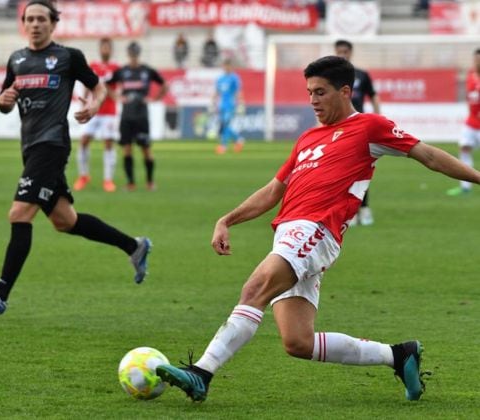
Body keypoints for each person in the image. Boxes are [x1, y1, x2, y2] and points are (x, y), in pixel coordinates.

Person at [156, 55, 480, 403]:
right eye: (309, 92)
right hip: (288, 234)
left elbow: (428, 155)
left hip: (317, 230)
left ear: (344, 91)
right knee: (298, 342)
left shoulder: (370, 127)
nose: (312, 101)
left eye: (320, 92)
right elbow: (273, 190)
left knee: (254, 290)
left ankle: (201, 373)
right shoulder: (307, 139)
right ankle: (399, 355)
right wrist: (227, 219)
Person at [0, 0, 152, 315]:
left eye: (41, 19)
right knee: (66, 220)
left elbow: (99, 88)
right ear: (24, 24)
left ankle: (0, 292)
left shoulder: (67, 57)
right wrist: (2, 101)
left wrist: (93, 106)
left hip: (52, 145)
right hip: (30, 146)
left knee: (20, 212)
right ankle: (134, 246)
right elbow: (4, 100)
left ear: (53, 24)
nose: (35, 24)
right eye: (30, 19)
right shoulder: (17, 60)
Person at [107, 41, 167, 191]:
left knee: (146, 149)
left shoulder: (147, 71)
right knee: (127, 149)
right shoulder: (122, 71)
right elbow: (107, 84)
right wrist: (116, 97)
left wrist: (155, 98)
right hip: (126, 116)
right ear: (128, 54)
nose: (133, 56)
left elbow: (164, 84)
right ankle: (130, 183)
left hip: (141, 116)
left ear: (138, 53)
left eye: (135, 53)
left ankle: (150, 182)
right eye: (131, 53)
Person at [335, 39, 380, 226]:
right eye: (339, 52)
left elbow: (374, 96)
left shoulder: (361, 75)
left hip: (359, 128)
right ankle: (349, 211)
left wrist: (378, 119)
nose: (343, 55)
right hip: (338, 127)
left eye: (345, 51)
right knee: (342, 170)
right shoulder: (331, 77)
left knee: (361, 168)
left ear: (351, 53)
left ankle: (365, 209)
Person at [73, 37, 120, 193]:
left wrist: (106, 88)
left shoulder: (116, 68)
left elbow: (116, 91)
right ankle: (84, 176)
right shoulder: (93, 66)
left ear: (111, 50)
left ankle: (108, 180)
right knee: (84, 141)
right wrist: (83, 102)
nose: (105, 50)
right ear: (100, 49)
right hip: (93, 110)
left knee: (108, 143)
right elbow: (87, 84)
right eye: (103, 47)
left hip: (109, 111)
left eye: (108, 47)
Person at [447, 48, 480, 196]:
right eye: (475, 59)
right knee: (464, 149)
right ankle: (465, 187)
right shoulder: (470, 76)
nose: (477, 62)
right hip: (471, 123)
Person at [213, 58, 245, 155]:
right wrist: (212, 102)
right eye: (224, 66)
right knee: (224, 125)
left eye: (228, 66)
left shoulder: (234, 78)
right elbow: (217, 92)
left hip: (231, 105)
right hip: (221, 105)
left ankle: (223, 146)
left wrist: (240, 104)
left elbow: (238, 92)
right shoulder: (220, 79)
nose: (226, 68)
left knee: (225, 124)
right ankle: (238, 139)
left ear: (231, 67)